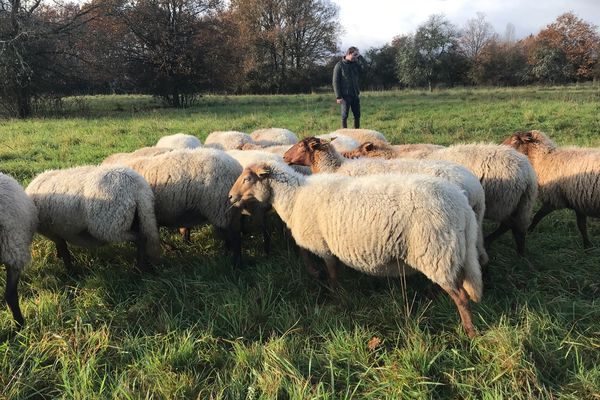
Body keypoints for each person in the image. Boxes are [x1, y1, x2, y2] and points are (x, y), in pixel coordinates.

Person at [332, 46, 365, 129]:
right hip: (344, 96)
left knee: (357, 115)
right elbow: (335, 82)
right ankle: (344, 135)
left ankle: (357, 133)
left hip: (355, 94)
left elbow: (364, 71)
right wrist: (338, 96)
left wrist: (360, 59)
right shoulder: (339, 65)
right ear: (349, 53)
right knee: (344, 116)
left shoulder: (356, 64)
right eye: (355, 55)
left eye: (357, 55)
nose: (356, 57)